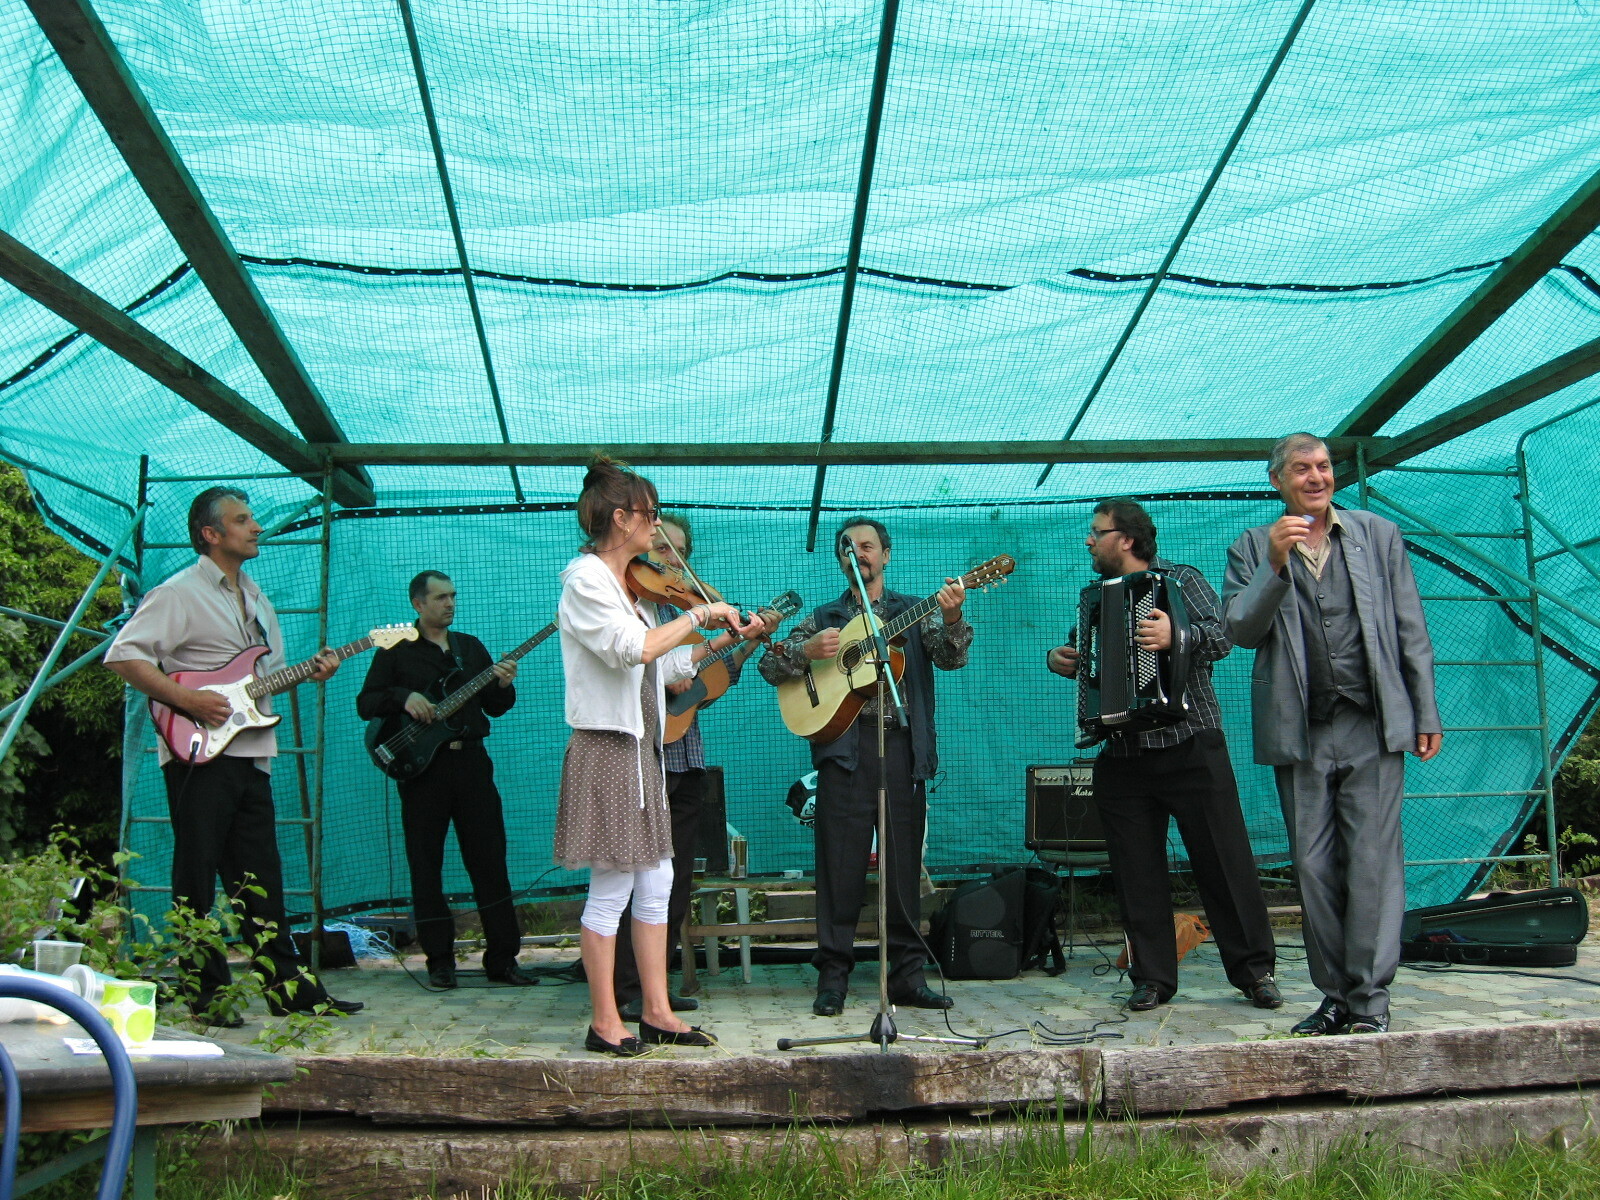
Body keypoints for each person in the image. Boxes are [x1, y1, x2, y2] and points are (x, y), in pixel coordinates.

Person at [105, 487, 363, 1026]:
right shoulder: (178, 592)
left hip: (251, 754)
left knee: (261, 877)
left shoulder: (257, 597)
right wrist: (187, 700)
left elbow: (262, 681)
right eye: (243, 520)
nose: (255, 527)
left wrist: (312, 671)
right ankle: (207, 996)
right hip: (198, 755)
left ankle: (291, 991)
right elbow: (125, 655)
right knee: (197, 875)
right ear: (211, 534)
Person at [1223, 433, 1442, 1036]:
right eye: (1302, 469)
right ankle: (1335, 998)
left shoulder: (1378, 535)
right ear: (1278, 481)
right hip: (1301, 731)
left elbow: (1410, 628)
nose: (1317, 477)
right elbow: (1240, 629)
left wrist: (1424, 711)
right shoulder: (1252, 546)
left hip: (1373, 725)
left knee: (1372, 864)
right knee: (1312, 867)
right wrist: (1274, 564)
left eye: (1323, 466)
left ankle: (1370, 1000)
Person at [556, 458, 766, 1055]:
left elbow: (665, 667)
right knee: (612, 888)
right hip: (606, 749)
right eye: (650, 514)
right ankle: (604, 1022)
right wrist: (698, 613)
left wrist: (721, 639)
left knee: (658, 882)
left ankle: (657, 1012)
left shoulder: (634, 591)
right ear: (622, 519)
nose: (656, 526)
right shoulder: (585, 580)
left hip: (643, 751)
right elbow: (631, 650)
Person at [1048, 500, 1279, 1014]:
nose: (1088, 541)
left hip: (1190, 742)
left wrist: (1178, 635)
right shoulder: (1095, 597)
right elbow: (1086, 654)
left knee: (1224, 862)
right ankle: (1151, 978)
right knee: (1136, 872)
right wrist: (1059, 658)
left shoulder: (1181, 579)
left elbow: (1224, 636)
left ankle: (1255, 973)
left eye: (1096, 532)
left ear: (1126, 539)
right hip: (1124, 752)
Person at [759, 517, 970, 1017]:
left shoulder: (912, 611)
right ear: (841, 560)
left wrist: (954, 617)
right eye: (849, 548)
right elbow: (770, 667)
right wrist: (804, 651)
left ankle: (907, 977)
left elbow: (951, 658)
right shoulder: (825, 617)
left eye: (868, 545)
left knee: (902, 871)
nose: (859, 553)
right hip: (844, 753)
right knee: (840, 869)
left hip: (901, 751)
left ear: (886, 555)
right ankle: (833, 977)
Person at [612, 514, 780, 1021]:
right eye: (662, 547)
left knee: (676, 877)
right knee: (633, 877)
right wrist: (665, 672)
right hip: (641, 754)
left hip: (684, 755)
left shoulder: (686, 609)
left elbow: (711, 680)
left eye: (680, 552)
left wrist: (748, 640)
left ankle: (655, 989)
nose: (672, 561)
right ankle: (625, 988)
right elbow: (628, 663)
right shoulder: (634, 607)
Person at [356, 571, 531, 990]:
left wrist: (504, 684)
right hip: (423, 772)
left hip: (471, 764)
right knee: (425, 864)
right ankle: (439, 961)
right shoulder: (397, 648)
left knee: (490, 860)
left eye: (452, 596)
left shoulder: (469, 648)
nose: (450, 603)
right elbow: (366, 702)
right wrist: (404, 697)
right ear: (418, 604)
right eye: (439, 598)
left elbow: (496, 706)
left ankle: (503, 959)